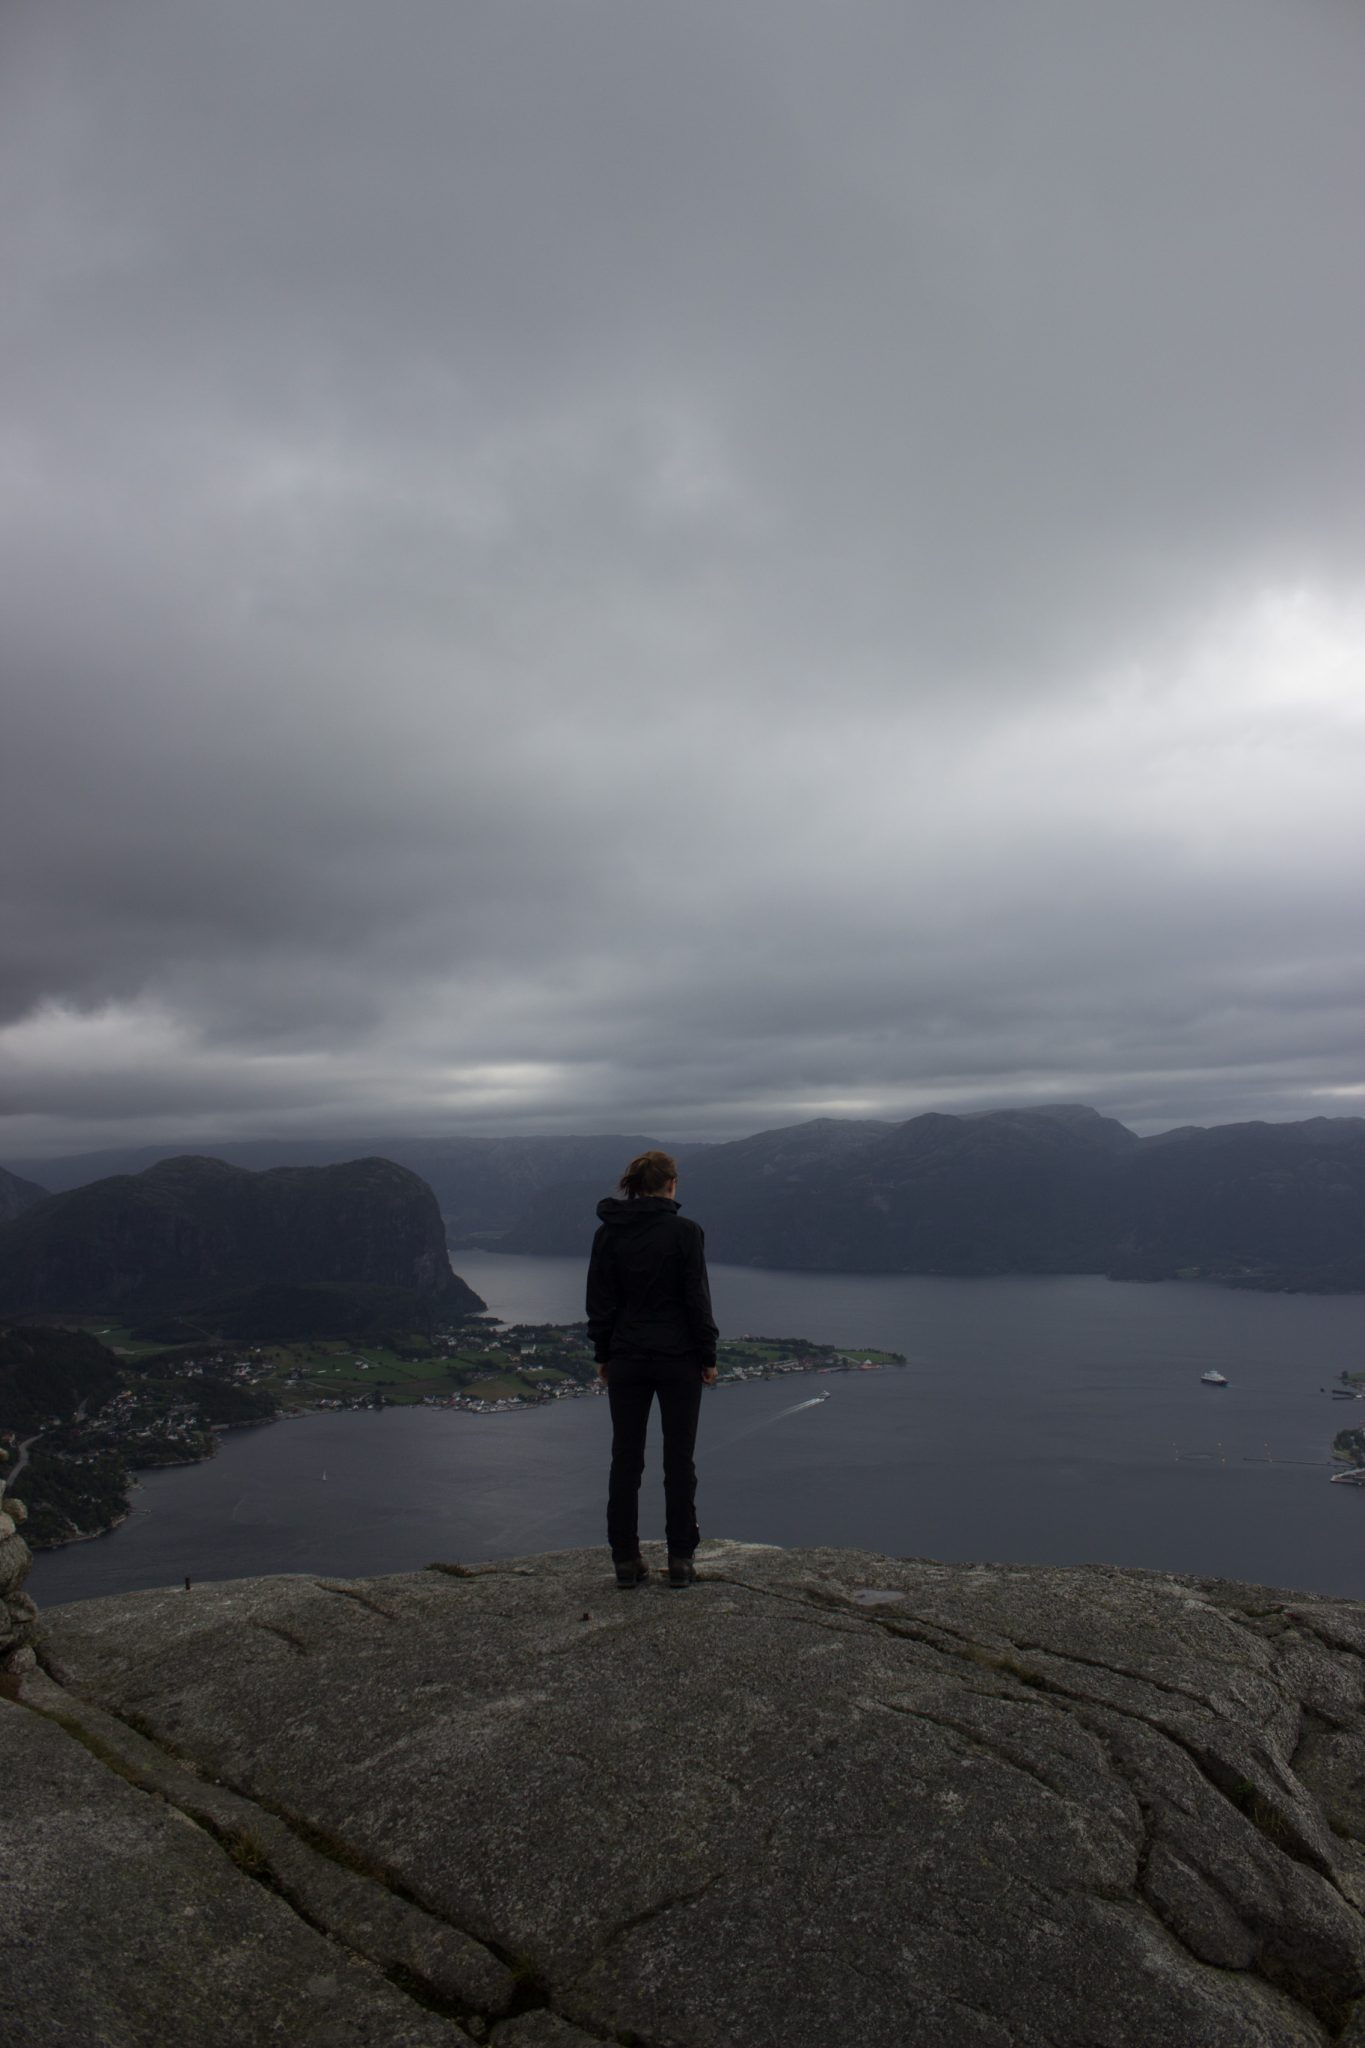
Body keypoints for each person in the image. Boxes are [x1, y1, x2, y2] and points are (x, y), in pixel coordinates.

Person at [586, 1149, 718, 1589]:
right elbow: (696, 1299)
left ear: (636, 1186)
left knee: (626, 1457)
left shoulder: (608, 1235)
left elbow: (599, 1302)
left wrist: (604, 1353)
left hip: (626, 1357)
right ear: (671, 1185)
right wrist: (708, 1355)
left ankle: (625, 1559)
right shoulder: (685, 1233)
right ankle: (680, 1559)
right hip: (678, 1359)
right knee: (678, 1459)